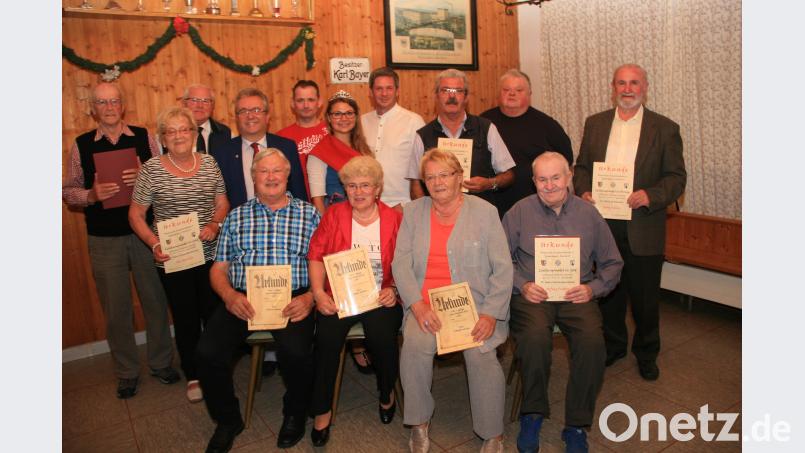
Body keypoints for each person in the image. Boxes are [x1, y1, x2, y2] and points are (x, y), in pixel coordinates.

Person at [196, 148, 320, 452]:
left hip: (293, 297)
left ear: (288, 175)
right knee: (207, 353)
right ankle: (228, 420)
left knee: (297, 352)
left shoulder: (310, 215)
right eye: (263, 171)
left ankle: (295, 413)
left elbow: (326, 265)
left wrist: (310, 297)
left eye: (277, 170)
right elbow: (218, 269)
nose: (271, 177)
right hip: (243, 297)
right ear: (253, 177)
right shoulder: (236, 216)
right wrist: (229, 295)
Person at [62, 82, 178, 400]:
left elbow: (166, 176)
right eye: (102, 102)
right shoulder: (81, 145)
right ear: (93, 109)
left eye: (114, 101)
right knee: (116, 310)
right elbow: (69, 191)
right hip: (104, 239)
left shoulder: (144, 137)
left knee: (156, 301)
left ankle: (161, 363)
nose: (110, 107)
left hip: (145, 235)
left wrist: (147, 177)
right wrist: (91, 195)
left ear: (122, 105)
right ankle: (126, 372)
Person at [393, 149, 513, 453]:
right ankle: (419, 423)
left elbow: (503, 268)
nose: (438, 182)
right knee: (415, 346)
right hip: (426, 306)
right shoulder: (413, 212)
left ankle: (493, 433)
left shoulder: (485, 212)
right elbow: (400, 264)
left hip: (475, 307)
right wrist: (417, 305)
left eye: (444, 175)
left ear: (459, 177)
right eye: (430, 177)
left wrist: (490, 314)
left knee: (480, 353)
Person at [502, 152, 623, 453]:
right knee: (533, 339)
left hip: (575, 294)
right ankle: (532, 413)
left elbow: (613, 262)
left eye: (556, 177)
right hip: (534, 294)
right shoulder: (518, 212)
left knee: (592, 344)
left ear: (569, 177)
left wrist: (592, 289)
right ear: (534, 182)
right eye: (542, 179)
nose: (550, 185)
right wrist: (522, 284)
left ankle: (576, 425)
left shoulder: (589, 214)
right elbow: (500, 259)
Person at [573, 64, 687, 381]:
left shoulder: (665, 128)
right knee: (609, 294)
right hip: (603, 224)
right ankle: (614, 346)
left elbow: (676, 177)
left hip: (643, 225)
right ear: (613, 88)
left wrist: (650, 195)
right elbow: (581, 167)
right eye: (621, 83)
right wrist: (583, 190)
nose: (627, 89)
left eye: (634, 83)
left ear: (645, 87)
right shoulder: (595, 123)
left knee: (645, 299)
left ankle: (647, 353)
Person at [128, 106, 230, 403]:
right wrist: (153, 243)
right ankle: (194, 374)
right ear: (162, 138)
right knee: (186, 319)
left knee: (214, 315)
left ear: (194, 133)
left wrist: (215, 223)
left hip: (210, 256)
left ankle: (216, 368)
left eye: (184, 129)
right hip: (174, 258)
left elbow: (222, 201)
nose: (178, 136)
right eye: (170, 131)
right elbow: (136, 214)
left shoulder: (209, 163)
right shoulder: (151, 169)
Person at [306, 156, 404, 446]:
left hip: (380, 295)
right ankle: (322, 409)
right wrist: (318, 293)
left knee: (382, 338)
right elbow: (316, 254)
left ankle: (386, 392)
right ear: (344, 189)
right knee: (326, 340)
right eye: (351, 186)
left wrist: (394, 288)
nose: (358, 191)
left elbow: (406, 261)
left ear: (377, 189)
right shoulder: (334, 215)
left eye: (365, 185)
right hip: (339, 295)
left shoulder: (394, 218)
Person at [407, 68, 516, 216]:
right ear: (437, 96)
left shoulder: (486, 128)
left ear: (466, 97)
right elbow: (415, 184)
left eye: (458, 91)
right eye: (445, 90)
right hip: (439, 217)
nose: (452, 96)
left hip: (479, 215)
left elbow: (509, 175)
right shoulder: (422, 135)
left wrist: (488, 183)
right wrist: (425, 216)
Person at [481, 69, 573, 217]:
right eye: (506, 90)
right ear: (498, 94)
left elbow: (566, 161)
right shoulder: (484, 123)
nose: (512, 94)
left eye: (519, 90)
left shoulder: (547, 125)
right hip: (493, 205)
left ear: (530, 94)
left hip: (537, 207)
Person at [211, 87, 307, 208]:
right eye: (243, 111)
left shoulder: (287, 147)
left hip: (282, 217)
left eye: (256, 110)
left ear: (267, 116)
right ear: (237, 118)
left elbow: (298, 192)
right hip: (239, 219)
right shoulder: (222, 153)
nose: (250, 116)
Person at [361, 67, 425, 211]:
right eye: (379, 89)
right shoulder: (362, 122)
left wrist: (412, 204)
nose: (384, 94)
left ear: (397, 91)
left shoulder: (414, 121)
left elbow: (423, 166)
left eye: (389, 88)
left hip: (402, 205)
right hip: (367, 204)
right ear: (371, 92)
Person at [307, 90, 373, 214]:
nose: (344, 118)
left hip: (366, 213)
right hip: (337, 215)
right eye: (337, 114)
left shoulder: (365, 149)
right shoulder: (319, 152)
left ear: (356, 116)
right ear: (329, 118)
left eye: (349, 113)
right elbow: (318, 200)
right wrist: (325, 224)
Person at [277, 79, 328, 193]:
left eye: (311, 100)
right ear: (292, 103)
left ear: (319, 102)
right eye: (300, 100)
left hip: (330, 198)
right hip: (296, 199)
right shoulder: (281, 137)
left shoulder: (332, 131)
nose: (306, 105)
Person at [180, 83, 232, 154]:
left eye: (205, 101)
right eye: (194, 100)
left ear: (213, 106)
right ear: (184, 104)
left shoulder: (226, 134)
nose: (200, 106)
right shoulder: (171, 133)